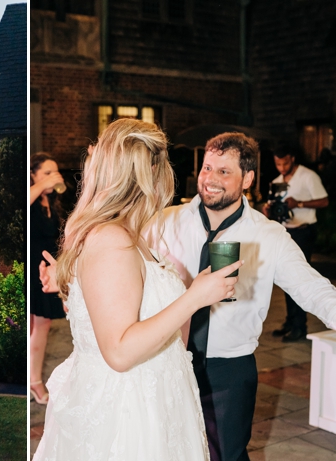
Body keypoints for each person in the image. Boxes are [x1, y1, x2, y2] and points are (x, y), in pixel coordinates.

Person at [33, 119, 240, 460]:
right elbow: (118, 352)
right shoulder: (112, 239)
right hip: (127, 411)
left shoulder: (131, 236)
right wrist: (194, 297)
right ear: (148, 176)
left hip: (157, 394)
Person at [142, 132, 336, 461]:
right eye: (207, 168)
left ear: (247, 178)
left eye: (223, 171)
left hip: (228, 368)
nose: (210, 179)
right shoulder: (163, 222)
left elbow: (313, 289)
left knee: (226, 455)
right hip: (165, 360)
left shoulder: (268, 235)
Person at [263, 146, 329, 342]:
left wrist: (299, 204)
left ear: (292, 158)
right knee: (285, 279)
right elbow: (275, 210)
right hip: (285, 231)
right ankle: (290, 322)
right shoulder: (276, 183)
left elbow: (324, 201)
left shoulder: (308, 176)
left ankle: (300, 326)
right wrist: (269, 210)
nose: (281, 167)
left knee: (298, 278)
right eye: (277, 164)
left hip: (303, 231)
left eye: (285, 163)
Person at [28, 151, 67, 406]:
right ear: (33, 175)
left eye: (55, 172)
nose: (53, 178)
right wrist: (40, 185)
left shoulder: (51, 204)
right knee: (39, 325)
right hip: (32, 268)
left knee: (41, 325)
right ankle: (34, 381)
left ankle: (32, 378)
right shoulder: (32, 200)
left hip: (49, 268)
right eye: (47, 172)